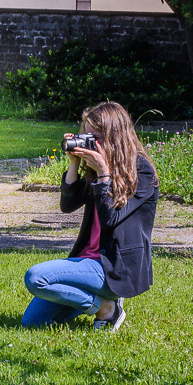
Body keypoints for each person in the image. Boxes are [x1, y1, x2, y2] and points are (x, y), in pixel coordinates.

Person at [21, 102, 159, 331]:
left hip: (115, 268)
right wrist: (74, 163)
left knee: (36, 277)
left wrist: (104, 174)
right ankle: (101, 303)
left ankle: (107, 309)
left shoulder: (141, 171)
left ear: (114, 137)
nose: (90, 144)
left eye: (95, 138)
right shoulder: (94, 169)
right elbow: (67, 206)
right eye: (86, 136)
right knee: (34, 322)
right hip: (86, 262)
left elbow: (110, 219)